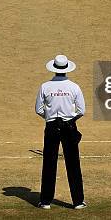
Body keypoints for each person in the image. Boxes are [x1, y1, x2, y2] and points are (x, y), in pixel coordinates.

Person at [35, 55, 86, 210]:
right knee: (73, 164)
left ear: (54, 68)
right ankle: (78, 202)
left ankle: (45, 201)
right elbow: (81, 110)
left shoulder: (45, 86)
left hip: (51, 127)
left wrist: (50, 119)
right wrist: (69, 121)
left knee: (49, 163)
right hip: (69, 127)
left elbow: (38, 109)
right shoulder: (74, 87)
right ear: (66, 69)